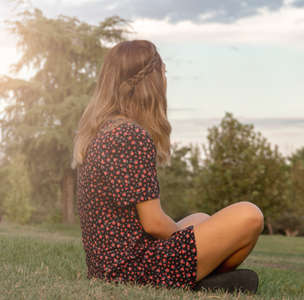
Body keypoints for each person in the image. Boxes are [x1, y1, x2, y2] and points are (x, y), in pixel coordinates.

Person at [72, 40, 263, 293]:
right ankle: (198, 281)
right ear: (151, 83)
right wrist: (191, 246)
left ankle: (203, 280)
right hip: (132, 270)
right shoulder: (130, 135)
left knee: (201, 219)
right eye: (163, 74)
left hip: (109, 266)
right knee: (249, 215)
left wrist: (195, 238)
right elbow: (154, 224)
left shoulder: (105, 130)